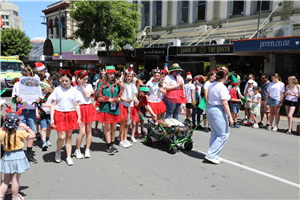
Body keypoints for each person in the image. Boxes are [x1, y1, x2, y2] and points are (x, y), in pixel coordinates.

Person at [0, 105, 36, 200]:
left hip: (7, 156)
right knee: (15, 180)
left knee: (5, 181)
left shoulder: (2, 133)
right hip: (18, 155)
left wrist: (3, 127)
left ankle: (1, 196)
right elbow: (33, 135)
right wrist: (26, 127)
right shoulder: (20, 132)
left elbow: (1, 129)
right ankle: (15, 197)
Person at [50, 69, 81, 166]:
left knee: (69, 137)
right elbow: (53, 104)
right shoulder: (57, 89)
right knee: (61, 136)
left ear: (71, 81)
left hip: (71, 114)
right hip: (59, 114)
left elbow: (76, 104)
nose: (64, 82)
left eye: (66, 81)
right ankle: (58, 151)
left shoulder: (74, 90)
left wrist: (79, 117)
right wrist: (51, 118)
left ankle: (68, 156)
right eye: (62, 80)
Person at [12, 66, 42, 164]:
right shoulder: (17, 85)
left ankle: (28, 155)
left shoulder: (36, 85)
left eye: (27, 76)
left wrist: (38, 101)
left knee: (32, 132)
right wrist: (18, 100)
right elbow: (14, 99)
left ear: (32, 76)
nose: (25, 78)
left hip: (32, 110)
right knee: (19, 131)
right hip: (21, 110)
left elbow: (40, 99)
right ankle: (19, 153)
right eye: (23, 76)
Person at [205, 69, 233, 164]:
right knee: (223, 135)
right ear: (225, 77)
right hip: (217, 110)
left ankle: (214, 154)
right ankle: (211, 154)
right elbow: (224, 103)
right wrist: (230, 117)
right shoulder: (222, 87)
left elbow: (208, 98)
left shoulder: (212, 84)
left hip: (211, 108)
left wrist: (207, 110)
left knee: (215, 133)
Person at [96, 66, 123, 155]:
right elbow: (98, 98)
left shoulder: (117, 84)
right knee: (107, 128)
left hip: (115, 108)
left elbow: (120, 95)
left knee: (114, 128)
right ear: (106, 74)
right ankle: (108, 145)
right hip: (106, 108)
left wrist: (119, 99)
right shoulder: (101, 84)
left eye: (113, 74)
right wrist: (108, 100)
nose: (112, 75)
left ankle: (111, 143)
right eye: (110, 74)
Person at [74, 70, 98, 159]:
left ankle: (87, 149)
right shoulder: (74, 88)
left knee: (89, 131)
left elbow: (88, 95)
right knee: (82, 132)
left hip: (88, 108)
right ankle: (77, 150)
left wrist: (82, 86)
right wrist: (79, 85)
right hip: (80, 109)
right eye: (84, 79)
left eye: (87, 79)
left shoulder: (89, 86)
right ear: (79, 79)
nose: (86, 81)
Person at [119, 66, 139, 147]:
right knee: (123, 124)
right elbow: (119, 96)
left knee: (128, 124)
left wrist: (136, 100)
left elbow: (134, 95)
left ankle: (125, 139)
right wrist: (125, 100)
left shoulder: (133, 85)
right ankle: (121, 140)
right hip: (124, 106)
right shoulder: (121, 85)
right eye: (128, 76)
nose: (129, 78)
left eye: (130, 76)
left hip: (130, 107)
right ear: (125, 76)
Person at [37, 79, 54, 151]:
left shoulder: (51, 95)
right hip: (42, 114)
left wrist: (47, 105)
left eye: (44, 89)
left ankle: (48, 139)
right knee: (43, 128)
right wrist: (37, 113)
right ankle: (44, 142)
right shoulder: (39, 95)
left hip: (50, 114)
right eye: (41, 89)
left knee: (49, 128)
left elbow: (54, 105)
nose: (42, 90)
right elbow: (36, 105)